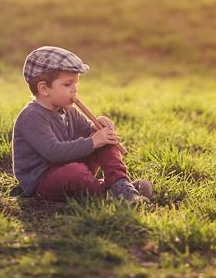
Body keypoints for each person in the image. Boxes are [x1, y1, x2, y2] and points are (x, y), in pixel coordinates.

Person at [12, 45, 152, 204]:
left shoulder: (68, 110)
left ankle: (120, 185)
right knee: (75, 172)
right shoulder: (31, 117)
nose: (74, 90)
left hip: (70, 164)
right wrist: (94, 141)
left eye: (75, 84)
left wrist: (100, 128)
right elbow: (54, 153)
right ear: (44, 89)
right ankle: (105, 194)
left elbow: (89, 132)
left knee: (104, 141)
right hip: (44, 181)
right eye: (67, 84)